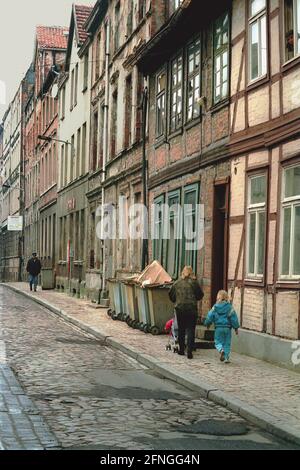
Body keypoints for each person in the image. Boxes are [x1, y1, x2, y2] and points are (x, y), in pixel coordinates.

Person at [169, 266, 204, 359]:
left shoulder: (177, 283)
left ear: (183, 272)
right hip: (191, 309)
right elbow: (200, 295)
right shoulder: (194, 283)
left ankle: (181, 349)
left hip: (180, 309)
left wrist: (176, 301)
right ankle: (189, 350)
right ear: (191, 273)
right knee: (191, 330)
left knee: (181, 329)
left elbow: (170, 294)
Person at [204, 290, 239, 364]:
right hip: (227, 328)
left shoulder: (215, 307)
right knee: (227, 343)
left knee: (218, 342)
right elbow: (234, 318)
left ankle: (221, 350)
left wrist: (207, 323)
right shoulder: (229, 307)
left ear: (218, 297)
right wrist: (236, 328)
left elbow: (210, 316)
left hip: (218, 328)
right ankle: (226, 358)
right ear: (226, 297)